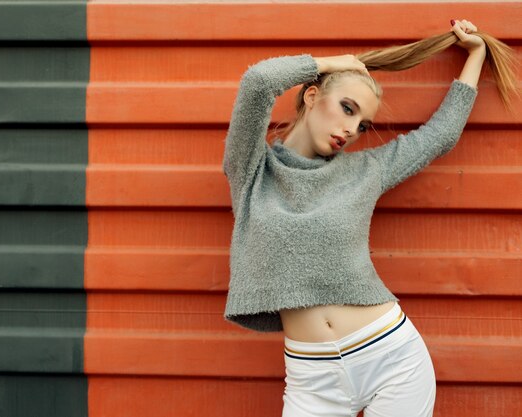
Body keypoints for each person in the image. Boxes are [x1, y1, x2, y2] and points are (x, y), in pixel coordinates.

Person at [221, 19, 517, 417]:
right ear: (311, 95)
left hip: (392, 358)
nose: (351, 129)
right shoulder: (252, 170)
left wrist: (477, 55)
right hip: (312, 381)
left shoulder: (365, 171)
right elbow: (258, 82)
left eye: (362, 124)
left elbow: (439, 136)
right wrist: (330, 63)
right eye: (346, 108)